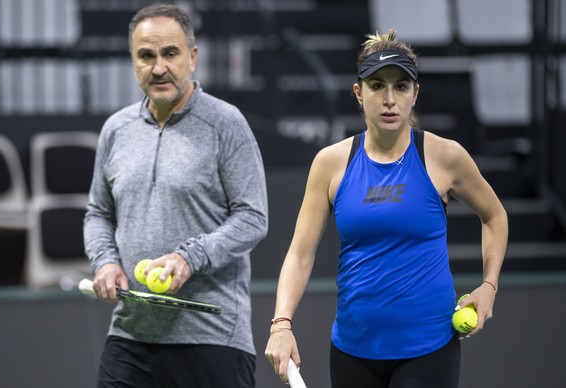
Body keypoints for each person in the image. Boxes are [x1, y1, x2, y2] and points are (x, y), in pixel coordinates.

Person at [265, 29, 508, 388]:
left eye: (400, 86)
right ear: (358, 94)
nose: (389, 98)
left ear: (415, 94)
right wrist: (281, 323)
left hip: (428, 352)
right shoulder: (330, 163)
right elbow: (300, 254)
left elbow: (494, 215)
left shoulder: (445, 156)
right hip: (351, 351)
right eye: (377, 86)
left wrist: (489, 286)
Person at [83, 4, 268, 387]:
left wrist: (190, 257)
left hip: (212, 335)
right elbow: (99, 213)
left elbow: (253, 217)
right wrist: (105, 262)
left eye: (170, 53)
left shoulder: (226, 123)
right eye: (146, 56)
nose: (158, 67)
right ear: (134, 61)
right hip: (130, 336)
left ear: (193, 57)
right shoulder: (116, 130)